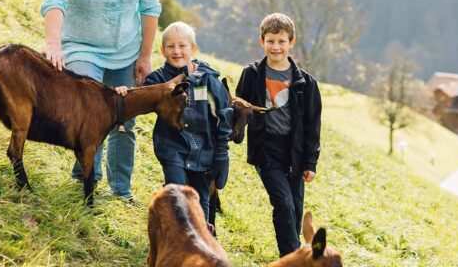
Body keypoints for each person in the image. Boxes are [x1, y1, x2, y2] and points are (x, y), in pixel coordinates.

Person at [40, 0, 160, 201]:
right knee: (93, 110)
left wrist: (145, 57)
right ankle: (84, 174)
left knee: (124, 118)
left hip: (126, 50)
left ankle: (120, 190)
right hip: (82, 47)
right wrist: (53, 44)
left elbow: (149, 9)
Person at [116, 22, 233, 222]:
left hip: (204, 151)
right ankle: (173, 237)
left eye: (182, 46)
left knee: (200, 202)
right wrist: (124, 93)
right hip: (171, 148)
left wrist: (222, 155)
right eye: (170, 46)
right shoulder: (159, 80)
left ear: (193, 49)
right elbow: (140, 96)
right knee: (178, 195)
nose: (176, 51)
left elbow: (223, 116)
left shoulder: (209, 80)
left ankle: (199, 242)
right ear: (162, 51)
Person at [235, 13, 322, 257]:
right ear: (262, 41)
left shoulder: (306, 83)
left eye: (282, 41)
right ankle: (293, 259)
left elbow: (313, 127)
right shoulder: (251, 74)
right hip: (266, 150)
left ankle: (291, 257)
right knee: (283, 204)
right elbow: (239, 108)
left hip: (295, 153)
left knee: (294, 208)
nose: (276, 47)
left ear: (291, 43)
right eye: (271, 41)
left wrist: (310, 163)